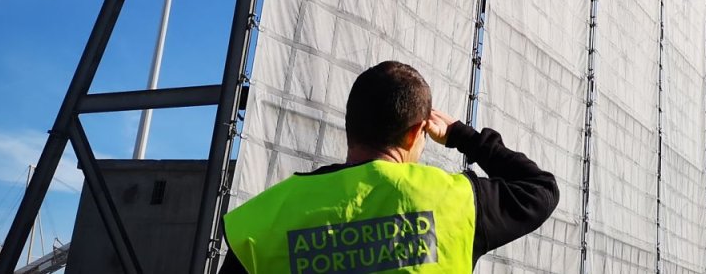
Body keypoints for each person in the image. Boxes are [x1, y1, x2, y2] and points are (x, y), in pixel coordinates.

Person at [218, 61, 558, 273]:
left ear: (350, 126)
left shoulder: (263, 219)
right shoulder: (458, 203)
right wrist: (462, 136)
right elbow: (540, 189)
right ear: (414, 134)